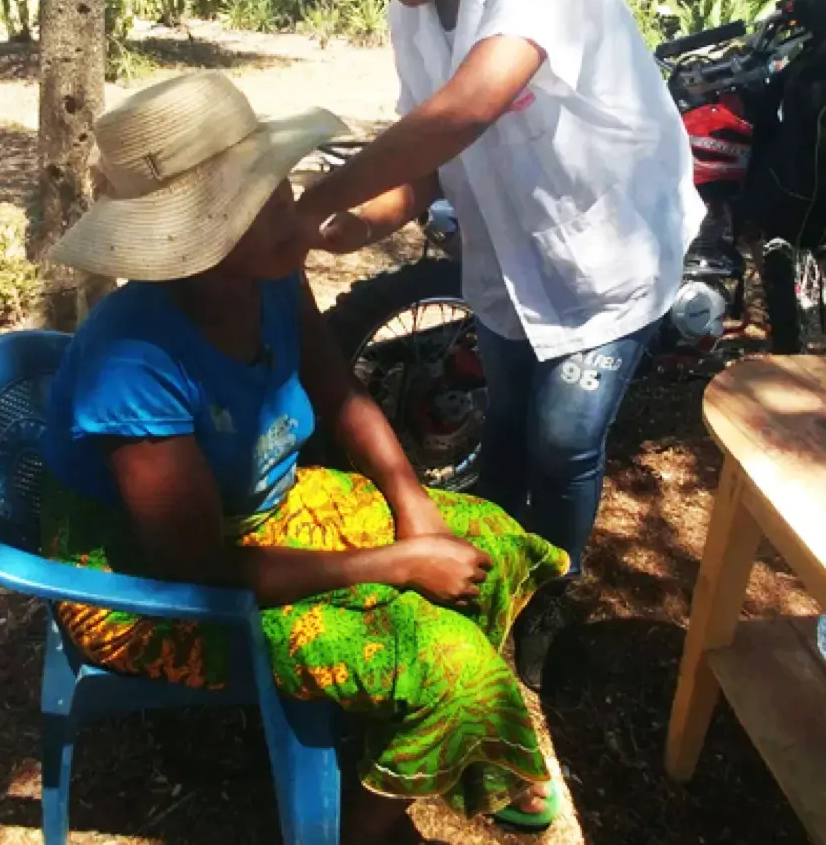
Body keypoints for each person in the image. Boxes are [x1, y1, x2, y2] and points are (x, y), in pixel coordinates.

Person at [40, 71, 571, 838]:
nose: (292, 209)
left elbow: (339, 391)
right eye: (257, 203)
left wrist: (408, 497)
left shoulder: (270, 276)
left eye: (277, 183)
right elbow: (193, 563)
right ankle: (360, 823)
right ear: (196, 240)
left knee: (487, 538)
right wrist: (396, 563)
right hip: (140, 581)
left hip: (257, 513)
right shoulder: (132, 359)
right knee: (450, 660)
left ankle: (412, 738)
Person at [297, 0, 706, 690]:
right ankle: (497, 581)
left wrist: (318, 198)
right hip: (510, 263)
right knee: (508, 435)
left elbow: (472, 105)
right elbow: (435, 159)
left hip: (606, 251)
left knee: (563, 442)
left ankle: (549, 598)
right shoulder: (410, 12)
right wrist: (359, 222)